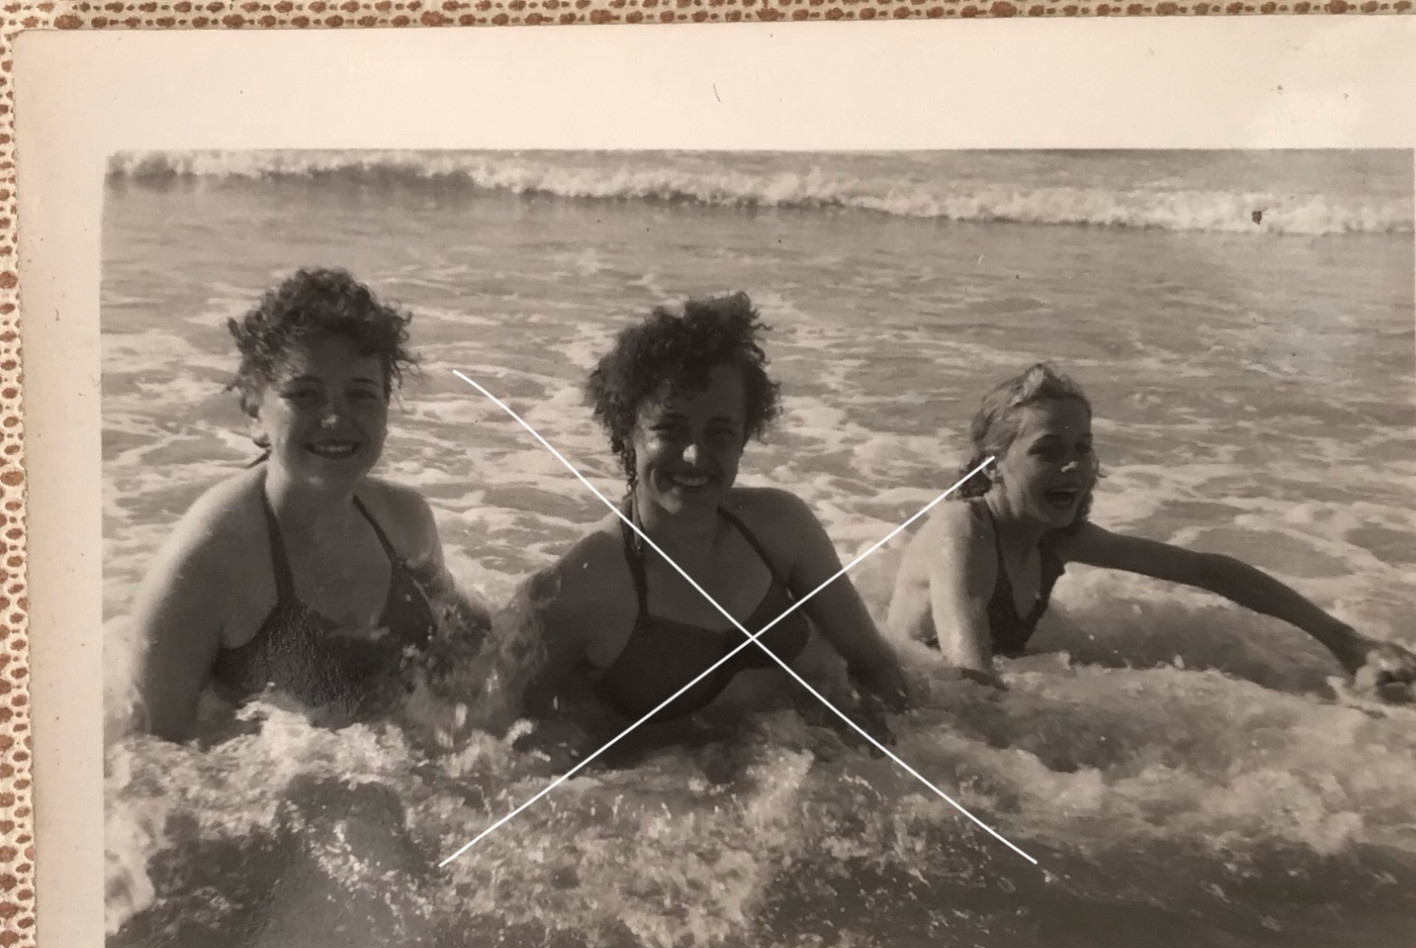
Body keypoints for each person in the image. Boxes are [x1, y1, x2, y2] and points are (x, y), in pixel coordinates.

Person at [509, 292, 910, 749]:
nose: (696, 456)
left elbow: (875, 668)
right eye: (671, 430)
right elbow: (499, 747)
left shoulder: (782, 528)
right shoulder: (580, 586)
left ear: (744, 437)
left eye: (720, 434)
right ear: (627, 431)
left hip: (814, 772)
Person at [887, 363, 1416, 698]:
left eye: (1082, 448)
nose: (1074, 466)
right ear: (993, 466)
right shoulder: (964, 528)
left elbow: (1207, 570)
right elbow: (970, 680)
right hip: (907, 699)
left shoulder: (1056, 535)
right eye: (1047, 451)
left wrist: (1347, 643)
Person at [126, 267, 460, 742]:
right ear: (252, 411)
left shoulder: (405, 520)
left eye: (362, 395)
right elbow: (149, 763)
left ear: (387, 407)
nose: (335, 417)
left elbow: (461, 642)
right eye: (304, 394)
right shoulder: (209, 562)